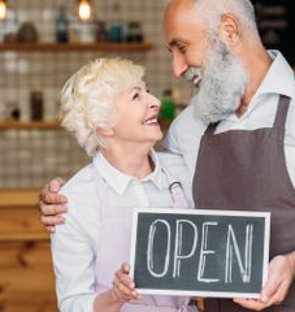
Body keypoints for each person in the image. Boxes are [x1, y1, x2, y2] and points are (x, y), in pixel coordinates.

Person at [39, 0, 295, 311]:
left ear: (228, 30)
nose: (176, 69)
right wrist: (61, 200)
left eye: (182, 47)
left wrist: (293, 263)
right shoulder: (187, 130)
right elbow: (134, 173)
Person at [47, 57, 199, 312]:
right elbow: (72, 303)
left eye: (147, 91)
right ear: (104, 125)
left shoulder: (183, 171)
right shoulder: (74, 201)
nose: (155, 102)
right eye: (136, 96)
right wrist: (115, 297)